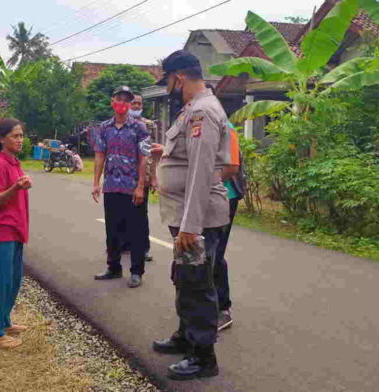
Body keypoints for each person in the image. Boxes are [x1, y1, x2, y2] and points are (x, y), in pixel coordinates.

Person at [150, 50, 231, 380]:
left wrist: (191, 227)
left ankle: (202, 357)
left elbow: (200, 172)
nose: (169, 88)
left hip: (195, 219)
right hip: (184, 216)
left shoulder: (202, 112)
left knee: (197, 284)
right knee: (184, 278)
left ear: (179, 78)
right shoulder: (191, 111)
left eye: (168, 81)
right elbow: (187, 158)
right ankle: (186, 336)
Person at [92, 85, 150, 288]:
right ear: (112, 102)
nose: (122, 103)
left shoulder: (139, 128)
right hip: (111, 186)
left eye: (127, 100)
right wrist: (96, 183)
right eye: (119, 99)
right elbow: (100, 155)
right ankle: (113, 267)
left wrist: (141, 186)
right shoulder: (104, 128)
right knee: (113, 229)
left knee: (135, 230)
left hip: (132, 187)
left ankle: (136, 271)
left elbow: (144, 158)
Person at [0, 118, 32, 349]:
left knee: (13, 281)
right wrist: (16, 187)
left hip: (16, 230)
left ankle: (4, 322)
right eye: (15, 136)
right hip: (2, 231)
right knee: (1, 282)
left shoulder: (14, 163)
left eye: (21, 135)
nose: (20, 140)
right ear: (1, 139)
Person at [214, 123, 247, 331]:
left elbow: (232, 165)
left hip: (226, 196)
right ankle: (205, 304)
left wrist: (206, 181)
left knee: (215, 254)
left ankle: (223, 309)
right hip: (204, 197)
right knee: (203, 254)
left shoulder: (227, 128)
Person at [128, 93, 158, 262]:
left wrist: (153, 176)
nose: (136, 106)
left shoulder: (149, 125)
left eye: (139, 104)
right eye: (134, 103)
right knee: (124, 213)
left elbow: (153, 153)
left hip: (143, 176)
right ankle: (125, 245)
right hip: (124, 177)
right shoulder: (122, 124)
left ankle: (143, 248)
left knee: (140, 214)